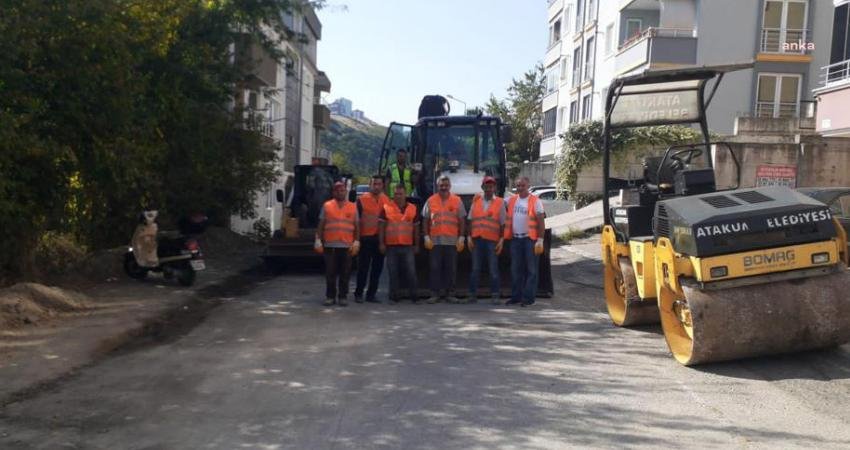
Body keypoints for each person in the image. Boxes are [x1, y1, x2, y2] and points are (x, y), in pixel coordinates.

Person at [422, 175, 467, 303]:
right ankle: (434, 294)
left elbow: (462, 220)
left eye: (446, 185)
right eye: (441, 185)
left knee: (451, 269)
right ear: (437, 186)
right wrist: (426, 237)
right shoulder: (430, 200)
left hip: (452, 242)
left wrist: (462, 237)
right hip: (434, 242)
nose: (444, 187)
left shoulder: (457, 201)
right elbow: (425, 220)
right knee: (435, 268)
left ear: (450, 186)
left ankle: (450, 294)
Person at [316, 181, 360, 307]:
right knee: (330, 273)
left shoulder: (353, 206)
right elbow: (321, 224)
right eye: (337, 190)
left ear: (345, 192)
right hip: (330, 246)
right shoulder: (327, 206)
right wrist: (318, 240)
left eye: (342, 190)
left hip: (347, 246)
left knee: (345, 273)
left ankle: (342, 296)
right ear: (333, 192)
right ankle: (330, 296)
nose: (340, 193)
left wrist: (357, 242)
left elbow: (357, 226)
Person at [503, 177, 545, 307]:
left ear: (528, 186)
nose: (520, 188)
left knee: (531, 271)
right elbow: (496, 202)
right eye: (518, 186)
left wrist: (540, 239)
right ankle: (516, 297)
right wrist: (480, 195)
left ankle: (528, 298)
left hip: (530, 240)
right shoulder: (511, 200)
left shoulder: (535, 201)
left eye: (522, 186)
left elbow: (541, 222)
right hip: (516, 239)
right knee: (516, 270)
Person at [467, 176, 506, 304]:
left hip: (492, 241)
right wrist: (468, 237)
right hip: (477, 240)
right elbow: (470, 220)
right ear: (483, 187)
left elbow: (502, 224)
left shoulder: (500, 202)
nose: (489, 189)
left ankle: (495, 295)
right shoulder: (476, 201)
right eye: (486, 186)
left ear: (494, 188)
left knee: (493, 269)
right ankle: (472, 295)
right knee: (475, 269)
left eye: (491, 187)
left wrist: (501, 239)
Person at [379, 184, 420, 304]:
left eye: (401, 193)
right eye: (396, 194)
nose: (398, 196)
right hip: (391, 246)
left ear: (405, 194)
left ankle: (414, 296)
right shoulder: (386, 207)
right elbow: (381, 227)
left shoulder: (413, 208)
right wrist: (381, 243)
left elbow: (416, 229)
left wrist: (417, 244)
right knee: (393, 272)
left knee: (411, 271)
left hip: (407, 245)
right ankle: (394, 297)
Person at [354, 175, 390, 303]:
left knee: (377, 268)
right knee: (363, 268)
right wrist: (356, 240)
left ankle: (371, 295)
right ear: (370, 185)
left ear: (383, 186)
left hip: (379, 240)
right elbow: (356, 221)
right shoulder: (361, 200)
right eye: (374, 184)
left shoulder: (387, 200)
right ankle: (358, 293)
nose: (376, 186)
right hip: (365, 239)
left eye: (379, 184)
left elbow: (388, 221)